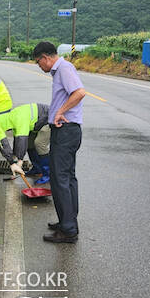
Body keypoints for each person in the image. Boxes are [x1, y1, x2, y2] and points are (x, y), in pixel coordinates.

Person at [33, 41, 86, 244]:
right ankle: (67, 221)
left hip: (66, 130)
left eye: (39, 63)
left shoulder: (63, 68)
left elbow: (79, 92)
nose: (40, 67)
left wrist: (61, 111)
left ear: (46, 58)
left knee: (60, 179)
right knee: (67, 178)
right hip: (68, 131)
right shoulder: (61, 70)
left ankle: (68, 230)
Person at [0, 103, 49, 178]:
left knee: (39, 144)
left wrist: (20, 160)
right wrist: (14, 157)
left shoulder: (18, 120)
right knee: (30, 144)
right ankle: (37, 169)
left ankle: (47, 174)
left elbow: (22, 139)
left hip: (48, 119)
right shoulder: (11, 119)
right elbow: (17, 140)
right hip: (36, 123)